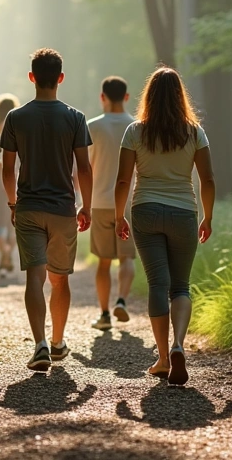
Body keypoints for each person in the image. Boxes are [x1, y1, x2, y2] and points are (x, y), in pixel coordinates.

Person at [114, 67, 215, 386]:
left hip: (145, 209)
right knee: (180, 286)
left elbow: (122, 180)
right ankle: (178, 346)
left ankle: (161, 358)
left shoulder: (134, 131)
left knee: (158, 284)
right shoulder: (194, 132)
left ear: (150, 97)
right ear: (179, 96)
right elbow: (208, 180)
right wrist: (207, 216)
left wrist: (119, 216)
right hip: (184, 211)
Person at [0, 48, 93, 372]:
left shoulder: (16, 118)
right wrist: (87, 207)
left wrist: (13, 203)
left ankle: (39, 344)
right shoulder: (75, 118)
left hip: (28, 207)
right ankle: (57, 342)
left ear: (32, 77)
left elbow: (7, 169)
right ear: (61, 78)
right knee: (59, 280)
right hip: (63, 208)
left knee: (34, 278)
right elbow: (84, 168)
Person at [86, 76, 135, 330]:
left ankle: (104, 315)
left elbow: (85, 168)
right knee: (126, 258)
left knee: (103, 261)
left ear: (102, 97)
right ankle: (123, 301)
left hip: (101, 201)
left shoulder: (92, 127)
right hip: (128, 203)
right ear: (126, 97)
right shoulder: (138, 127)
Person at [0, 93, 22, 276]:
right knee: (13, 222)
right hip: (16, 181)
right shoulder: (19, 129)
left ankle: (4, 254)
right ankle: (8, 253)